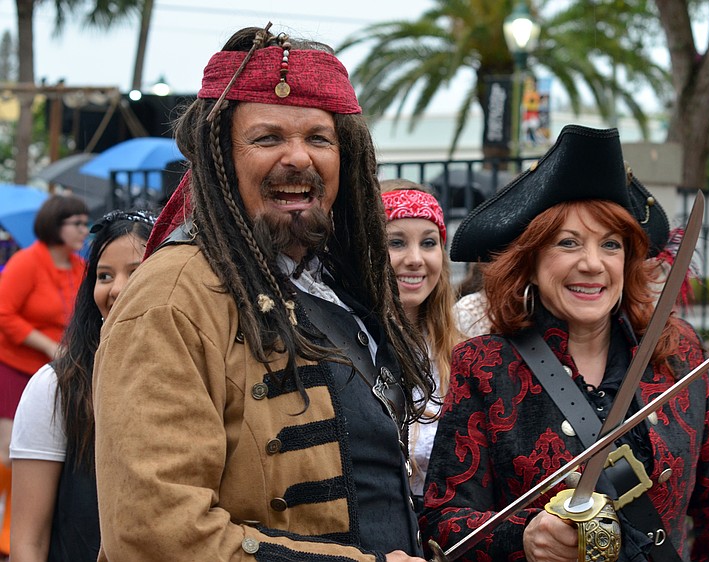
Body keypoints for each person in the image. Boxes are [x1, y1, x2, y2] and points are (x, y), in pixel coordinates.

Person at [92, 25, 433, 561]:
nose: (298, 158)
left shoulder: (340, 288)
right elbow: (154, 529)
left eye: (318, 139)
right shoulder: (171, 298)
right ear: (221, 159)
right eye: (267, 138)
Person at [420, 125, 709, 562]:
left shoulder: (677, 352)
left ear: (627, 261)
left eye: (610, 245)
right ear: (532, 261)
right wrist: (521, 538)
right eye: (568, 243)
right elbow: (443, 521)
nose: (592, 264)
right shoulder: (483, 366)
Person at [9, 210, 155, 562]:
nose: (117, 289)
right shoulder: (58, 387)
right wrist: (46, 347)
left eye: (136, 273)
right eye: (104, 276)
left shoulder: (206, 377)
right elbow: (28, 541)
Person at [0, 193, 89, 556]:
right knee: (10, 454)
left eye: (86, 222)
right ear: (57, 224)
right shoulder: (26, 261)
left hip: (64, 375)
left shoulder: (80, 266)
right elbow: (4, 314)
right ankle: (10, 530)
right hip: (17, 368)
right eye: (78, 223)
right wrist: (47, 346)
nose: (85, 229)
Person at [380, 181, 464, 503]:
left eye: (428, 243)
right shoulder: (347, 351)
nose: (415, 259)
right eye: (396, 243)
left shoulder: (463, 354)